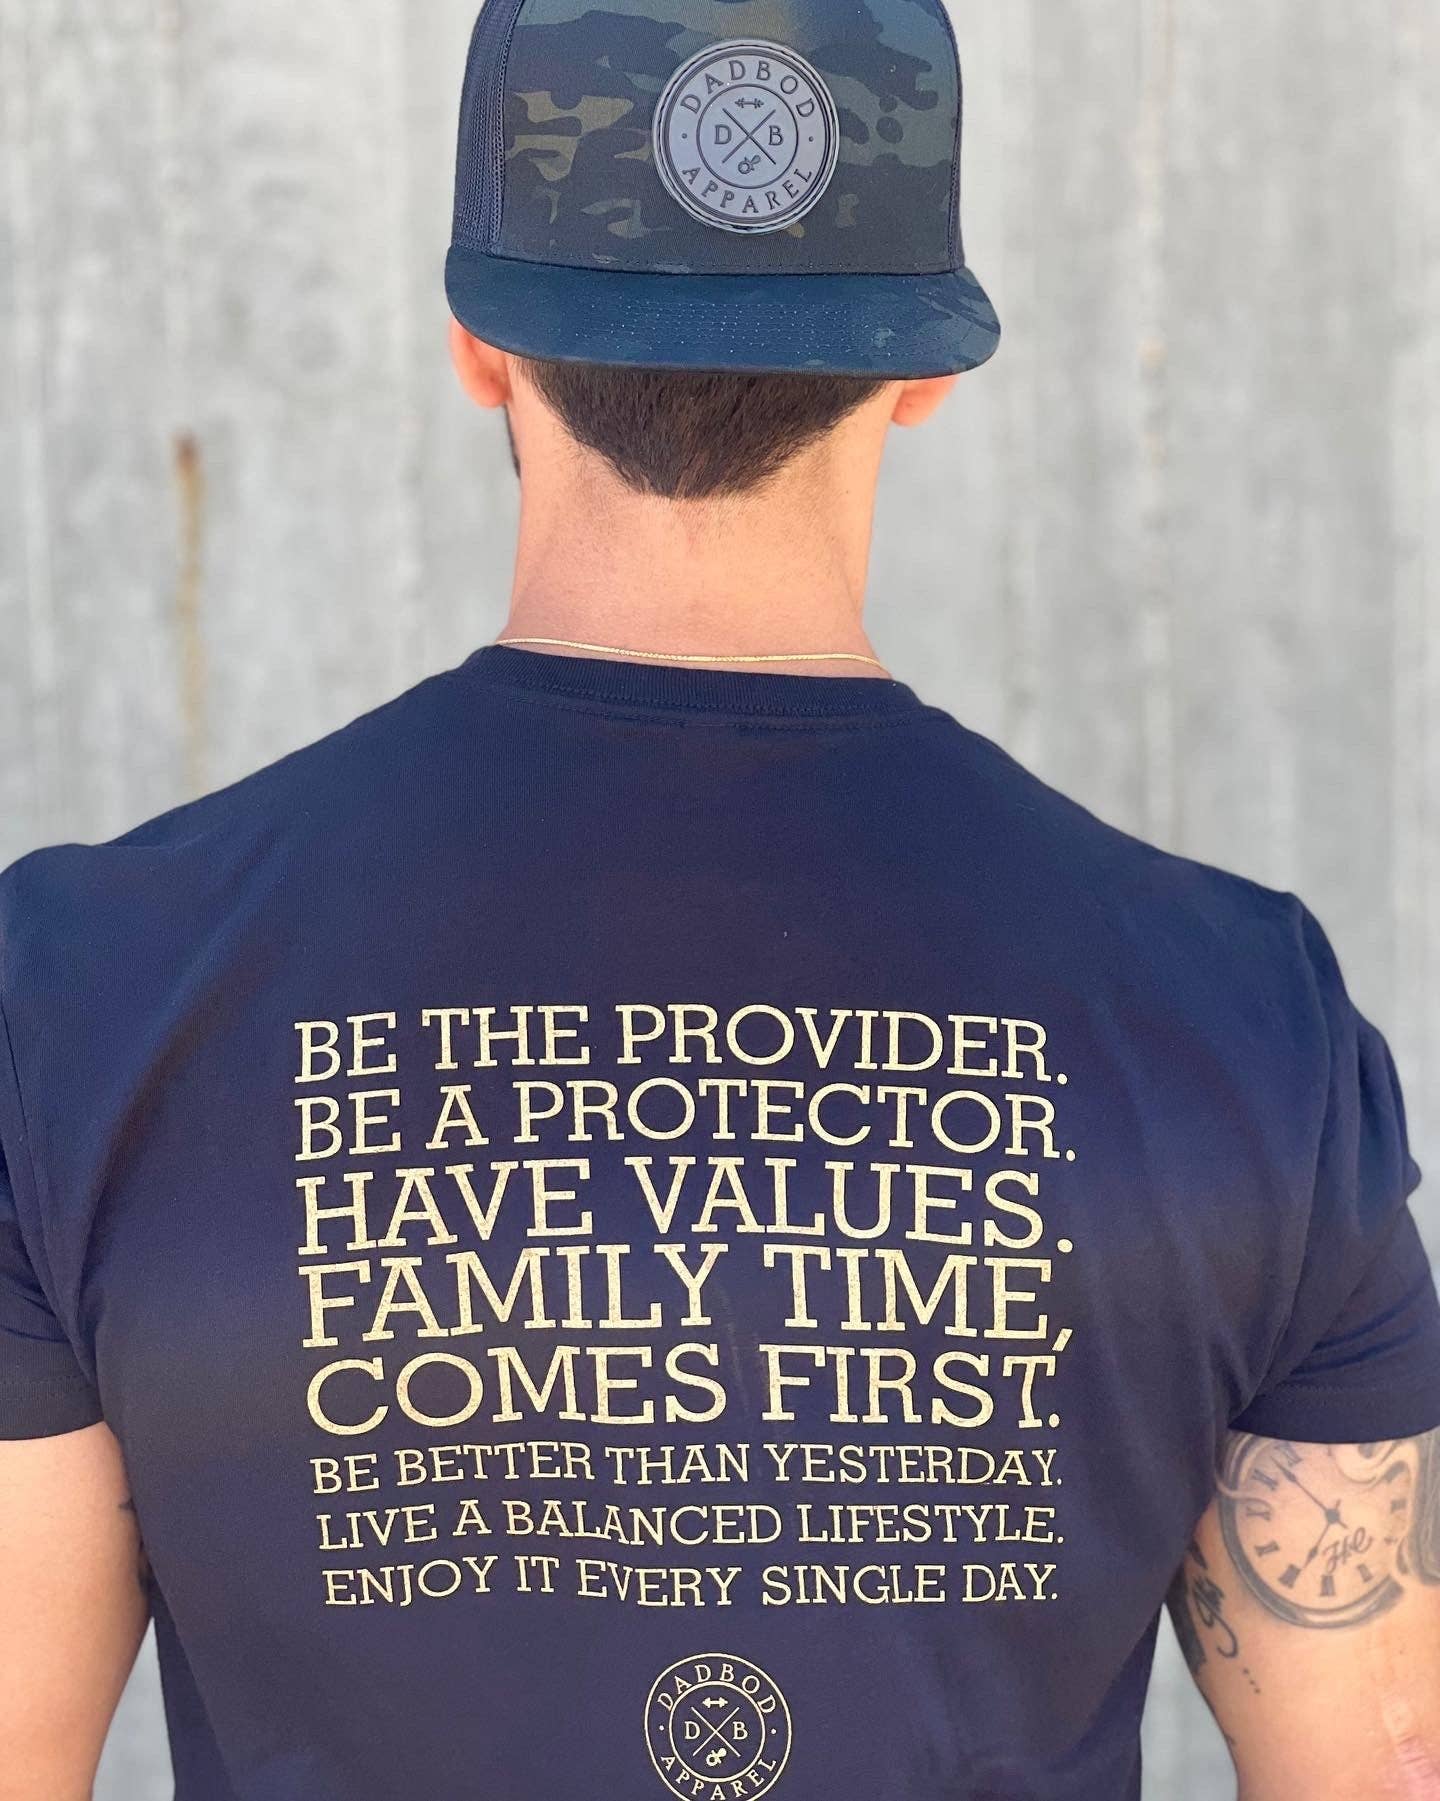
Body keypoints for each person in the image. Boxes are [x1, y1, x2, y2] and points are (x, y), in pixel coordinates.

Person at [1, 1, 1437, 1797]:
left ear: (478, 343)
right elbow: (1378, 1760)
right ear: (925, 366)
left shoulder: (86, 992)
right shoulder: (1245, 1020)